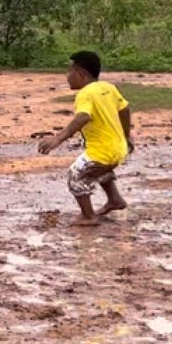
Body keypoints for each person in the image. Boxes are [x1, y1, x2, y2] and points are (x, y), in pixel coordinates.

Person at [37, 50, 133, 226]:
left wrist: (58, 138)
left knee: (76, 174)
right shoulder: (108, 87)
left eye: (69, 72)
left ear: (80, 74)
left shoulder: (85, 94)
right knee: (99, 170)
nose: (67, 77)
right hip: (118, 149)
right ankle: (115, 200)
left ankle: (88, 216)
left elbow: (83, 117)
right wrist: (127, 137)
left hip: (102, 152)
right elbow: (125, 110)